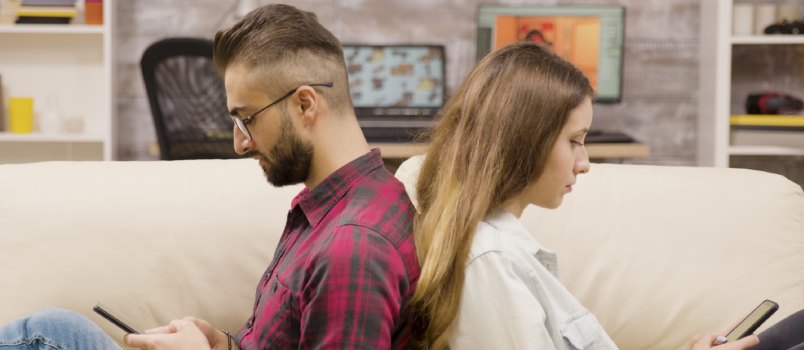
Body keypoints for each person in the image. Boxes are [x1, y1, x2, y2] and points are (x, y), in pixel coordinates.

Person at [0, 3, 419, 350]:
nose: (240, 143)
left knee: (44, 337)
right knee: (54, 329)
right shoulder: (332, 205)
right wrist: (224, 344)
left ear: (305, 105)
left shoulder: (352, 249)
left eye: (247, 119)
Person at [406, 41, 804, 350]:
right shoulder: (491, 262)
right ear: (523, 141)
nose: (584, 163)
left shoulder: (506, 250)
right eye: (574, 141)